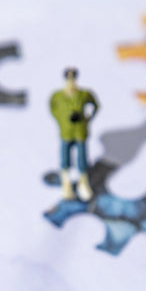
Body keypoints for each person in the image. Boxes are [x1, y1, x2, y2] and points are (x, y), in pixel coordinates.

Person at [49, 67, 99, 201]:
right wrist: (61, 120)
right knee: (65, 159)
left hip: (80, 132)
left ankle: (83, 183)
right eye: (68, 78)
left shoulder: (84, 94)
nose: (71, 82)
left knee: (82, 159)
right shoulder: (57, 96)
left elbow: (95, 105)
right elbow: (52, 108)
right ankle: (66, 184)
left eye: (73, 78)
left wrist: (87, 119)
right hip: (66, 132)